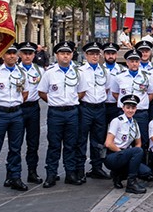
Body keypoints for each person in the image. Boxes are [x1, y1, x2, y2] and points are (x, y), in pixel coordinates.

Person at [38, 41, 87, 188]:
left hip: (72, 112)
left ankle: (70, 173)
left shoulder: (78, 72)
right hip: (56, 112)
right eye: (62, 53)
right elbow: (42, 92)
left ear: (72, 55)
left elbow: (82, 91)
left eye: (68, 53)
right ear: (56, 55)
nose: (65, 56)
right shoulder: (50, 73)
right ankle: (51, 174)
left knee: (71, 144)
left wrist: (70, 101)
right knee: (54, 144)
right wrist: (55, 101)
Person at [0, 44, 28, 194]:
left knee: (15, 148)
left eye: (14, 53)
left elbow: (25, 93)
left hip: (16, 114)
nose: (11, 56)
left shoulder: (22, 73)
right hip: (0, 114)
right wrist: (0, 105)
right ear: (3, 56)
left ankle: (15, 177)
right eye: (8, 53)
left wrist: (15, 104)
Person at [77, 41, 110, 181]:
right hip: (86, 108)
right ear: (86, 55)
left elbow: (106, 88)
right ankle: (79, 169)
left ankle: (97, 167)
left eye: (97, 54)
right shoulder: (80, 71)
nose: (95, 57)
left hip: (100, 108)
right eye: (91, 54)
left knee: (99, 140)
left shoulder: (104, 71)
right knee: (81, 139)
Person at [103, 94, 147, 194]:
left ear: (136, 109)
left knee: (146, 172)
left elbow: (138, 143)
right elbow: (108, 143)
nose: (130, 110)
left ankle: (118, 175)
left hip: (126, 154)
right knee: (137, 151)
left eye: (133, 108)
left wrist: (129, 156)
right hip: (113, 155)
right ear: (123, 108)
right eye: (128, 108)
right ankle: (131, 184)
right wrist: (124, 153)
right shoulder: (117, 121)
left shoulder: (135, 123)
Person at [113, 49, 153, 150]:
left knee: (142, 140)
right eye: (131, 61)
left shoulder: (147, 77)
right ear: (127, 62)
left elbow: (152, 93)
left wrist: (140, 104)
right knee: (123, 139)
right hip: (124, 113)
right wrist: (127, 106)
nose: (134, 64)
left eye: (136, 61)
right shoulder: (119, 76)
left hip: (141, 113)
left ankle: (141, 163)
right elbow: (115, 93)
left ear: (139, 62)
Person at [17, 41, 44, 184]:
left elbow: (45, 89)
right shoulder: (15, 69)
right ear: (20, 54)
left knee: (33, 143)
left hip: (33, 108)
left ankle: (32, 172)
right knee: (16, 143)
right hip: (18, 108)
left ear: (34, 55)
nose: (27, 56)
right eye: (25, 53)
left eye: (30, 53)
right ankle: (13, 175)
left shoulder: (40, 71)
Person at [102, 42, 125, 126]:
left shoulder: (123, 70)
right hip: (102, 105)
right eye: (108, 53)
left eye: (113, 53)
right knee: (101, 132)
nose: (110, 56)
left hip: (116, 106)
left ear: (116, 55)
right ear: (104, 54)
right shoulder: (99, 69)